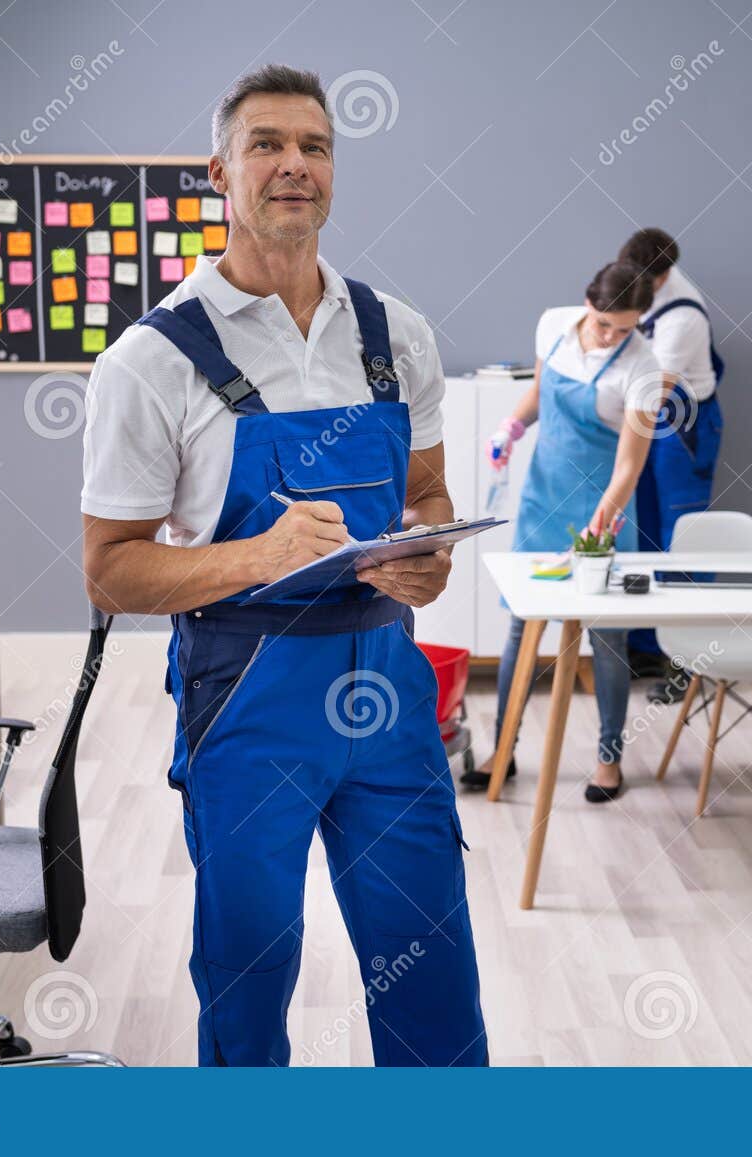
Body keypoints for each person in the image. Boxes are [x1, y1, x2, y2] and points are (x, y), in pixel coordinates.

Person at [80, 65, 486, 1066]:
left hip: (388, 689)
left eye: (314, 146)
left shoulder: (396, 334)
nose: (293, 165)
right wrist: (256, 556)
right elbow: (111, 571)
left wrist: (427, 557)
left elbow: (426, 494)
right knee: (249, 976)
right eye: (266, 144)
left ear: (333, 173)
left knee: (429, 962)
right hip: (247, 699)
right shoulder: (153, 359)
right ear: (219, 171)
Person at [461, 261, 663, 802]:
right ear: (586, 304)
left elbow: (630, 464)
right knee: (521, 628)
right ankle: (502, 751)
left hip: (604, 509)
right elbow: (540, 395)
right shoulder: (553, 324)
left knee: (607, 638)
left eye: (626, 328)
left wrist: (602, 520)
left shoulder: (644, 368)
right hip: (543, 499)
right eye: (604, 324)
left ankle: (608, 761)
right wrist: (512, 425)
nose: (612, 337)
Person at [617, 228, 725, 703]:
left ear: (661, 278)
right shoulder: (636, 283)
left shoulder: (682, 318)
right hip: (647, 419)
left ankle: (689, 662)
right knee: (642, 534)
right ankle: (644, 647)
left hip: (681, 428)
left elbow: (648, 392)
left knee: (683, 541)